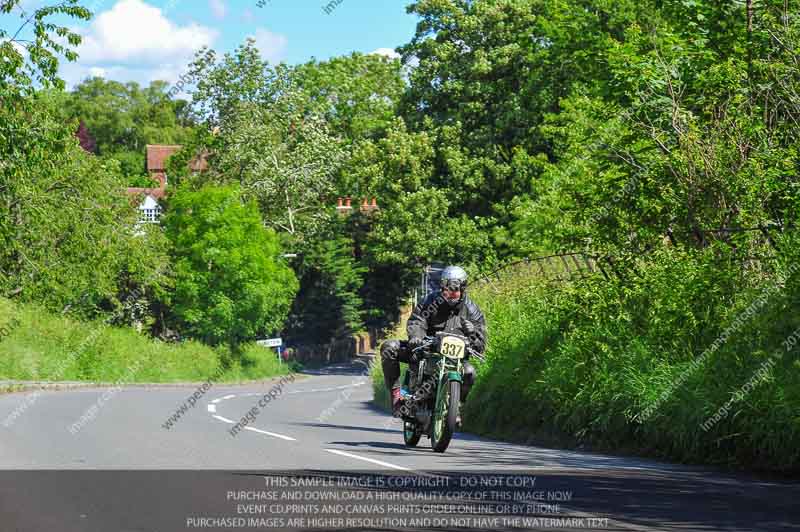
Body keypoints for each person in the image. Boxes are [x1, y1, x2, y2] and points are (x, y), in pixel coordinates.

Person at [380, 265, 487, 424]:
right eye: (447, 289)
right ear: (442, 287)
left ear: (463, 289)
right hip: (425, 350)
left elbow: (481, 342)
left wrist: (473, 333)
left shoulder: (472, 310)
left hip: (454, 361)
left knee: (470, 372)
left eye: (455, 290)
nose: (450, 294)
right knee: (389, 347)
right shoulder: (431, 301)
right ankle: (396, 395)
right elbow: (417, 321)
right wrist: (417, 337)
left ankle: (456, 406)